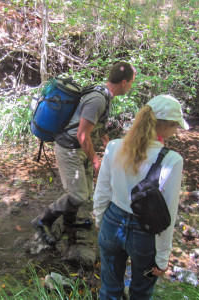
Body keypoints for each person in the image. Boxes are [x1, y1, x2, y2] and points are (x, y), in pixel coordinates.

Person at [93, 95, 189, 299]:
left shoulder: (114, 146)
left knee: (109, 291)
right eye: (176, 126)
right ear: (165, 127)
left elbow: (102, 191)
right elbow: (167, 216)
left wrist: (100, 221)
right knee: (141, 294)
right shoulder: (172, 160)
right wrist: (163, 258)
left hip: (112, 222)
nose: (176, 131)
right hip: (145, 234)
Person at [31, 62, 136, 245]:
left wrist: (107, 142)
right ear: (124, 82)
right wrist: (95, 161)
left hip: (79, 149)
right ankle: (43, 221)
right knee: (77, 194)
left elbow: (95, 124)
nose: (131, 86)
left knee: (86, 191)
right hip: (69, 148)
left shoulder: (104, 95)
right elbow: (82, 134)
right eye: (132, 82)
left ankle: (69, 223)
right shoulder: (98, 99)